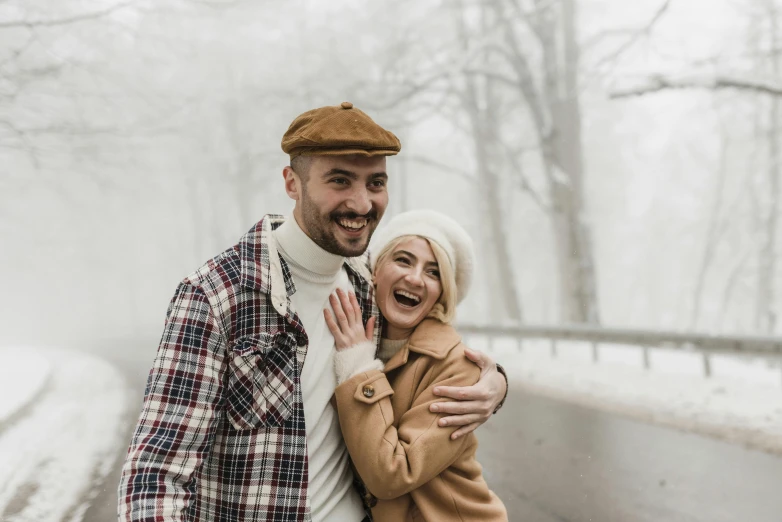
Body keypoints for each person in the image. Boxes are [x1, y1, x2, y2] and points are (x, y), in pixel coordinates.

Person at [117, 102, 508, 522]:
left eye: (375, 183)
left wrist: (495, 383)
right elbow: (156, 475)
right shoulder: (218, 295)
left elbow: (424, 352)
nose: (361, 203)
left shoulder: (367, 285)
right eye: (340, 180)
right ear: (292, 182)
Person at [325, 209, 508, 521]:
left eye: (433, 272)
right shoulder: (349, 336)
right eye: (403, 260)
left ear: (442, 292)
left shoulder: (457, 368)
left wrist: (358, 368)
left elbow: (392, 474)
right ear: (376, 269)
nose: (414, 278)